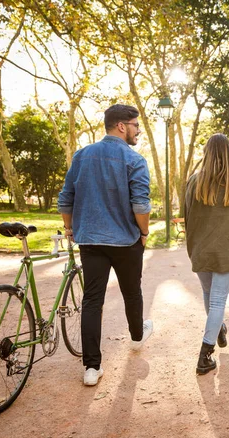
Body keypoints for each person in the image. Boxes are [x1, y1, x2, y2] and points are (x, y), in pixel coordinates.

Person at [58, 104, 153, 386]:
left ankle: (91, 368)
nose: (138, 131)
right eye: (136, 125)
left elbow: (66, 199)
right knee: (131, 292)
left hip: (90, 241)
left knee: (92, 300)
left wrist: (70, 227)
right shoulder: (134, 160)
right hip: (126, 241)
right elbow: (141, 205)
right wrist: (144, 232)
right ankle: (137, 337)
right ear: (122, 126)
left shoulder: (82, 156)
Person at [184, 134, 229, 375]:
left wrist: (193, 244)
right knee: (218, 300)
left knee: (209, 294)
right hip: (227, 249)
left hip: (200, 248)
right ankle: (205, 354)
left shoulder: (194, 182)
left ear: (206, 153)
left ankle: (218, 328)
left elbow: (188, 215)